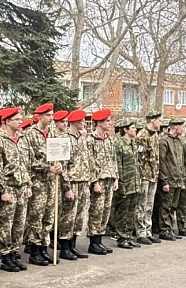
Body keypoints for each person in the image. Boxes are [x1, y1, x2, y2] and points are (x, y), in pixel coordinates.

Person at [0, 107, 31, 272]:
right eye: (16, 119)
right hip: (9, 187)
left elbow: (26, 163)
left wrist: (28, 184)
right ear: (7, 121)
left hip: (22, 186)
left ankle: (14, 253)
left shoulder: (21, 139)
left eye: (20, 118)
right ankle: (5, 256)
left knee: (19, 223)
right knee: (5, 224)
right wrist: (3, 190)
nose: (20, 122)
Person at [20, 103, 60, 265]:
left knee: (49, 216)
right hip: (37, 181)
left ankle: (44, 248)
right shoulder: (30, 134)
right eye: (48, 115)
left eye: (52, 115)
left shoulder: (52, 133)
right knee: (36, 216)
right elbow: (28, 160)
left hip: (51, 181)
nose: (51, 118)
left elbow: (58, 154)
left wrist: (59, 165)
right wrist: (47, 167)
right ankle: (34, 250)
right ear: (40, 117)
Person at [57, 109, 91, 260]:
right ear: (76, 122)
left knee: (79, 216)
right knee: (68, 216)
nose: (84, 123)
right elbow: (62, 166)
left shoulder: (82, 138)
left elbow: (86, 161)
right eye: (82, 120)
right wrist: (67, 187)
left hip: (82, 181)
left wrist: (88, 184)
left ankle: (73, 245)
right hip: (71, 182)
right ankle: (65, 247)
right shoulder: (65, 139)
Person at [86, 109, 118, 255]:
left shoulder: (109, 139)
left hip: (109, 178)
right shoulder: (91, 140)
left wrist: (116, 177)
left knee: (105, 211)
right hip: (99, 180)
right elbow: (90, 162)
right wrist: (94, 181)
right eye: (107, 121)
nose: (110, 123)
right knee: (96, 211)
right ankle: (93, 242)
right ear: (99, 122)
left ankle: (99, 240)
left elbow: (113, 159)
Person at [113, 118, 140, 249]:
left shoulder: (133, 143)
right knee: (122, 212)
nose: (135, 130)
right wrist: (121, 183)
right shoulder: (119, 144)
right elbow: (118, 165)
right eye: (133, 128)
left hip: (134, 183)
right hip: (125, 182)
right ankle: (122, 237)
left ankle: (128, 236)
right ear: (125, 129)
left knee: (131, 212)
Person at [156, 118, 185, 240]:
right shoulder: (164, 141)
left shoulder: (178, 141)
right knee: (165, 206)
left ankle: (170, 228)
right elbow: (162, 162)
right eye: (182, 126)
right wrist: (164, 180)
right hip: (169, 179)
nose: (183, 129)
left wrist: (182, 179)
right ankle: (164, 230)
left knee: (173, 206)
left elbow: (181, 161)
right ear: (176, 127)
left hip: (177, 179)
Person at [135, 111, 161, 244]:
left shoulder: (155, 135)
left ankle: (148, 231)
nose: (160, 123)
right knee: (142, 204)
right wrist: (140, 175)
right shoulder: (142, 135)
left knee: (149, 205)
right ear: (153, 121)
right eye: (159, 120)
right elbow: (139, 157)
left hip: (153, 174)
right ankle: (140, 232)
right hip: (144, 175)